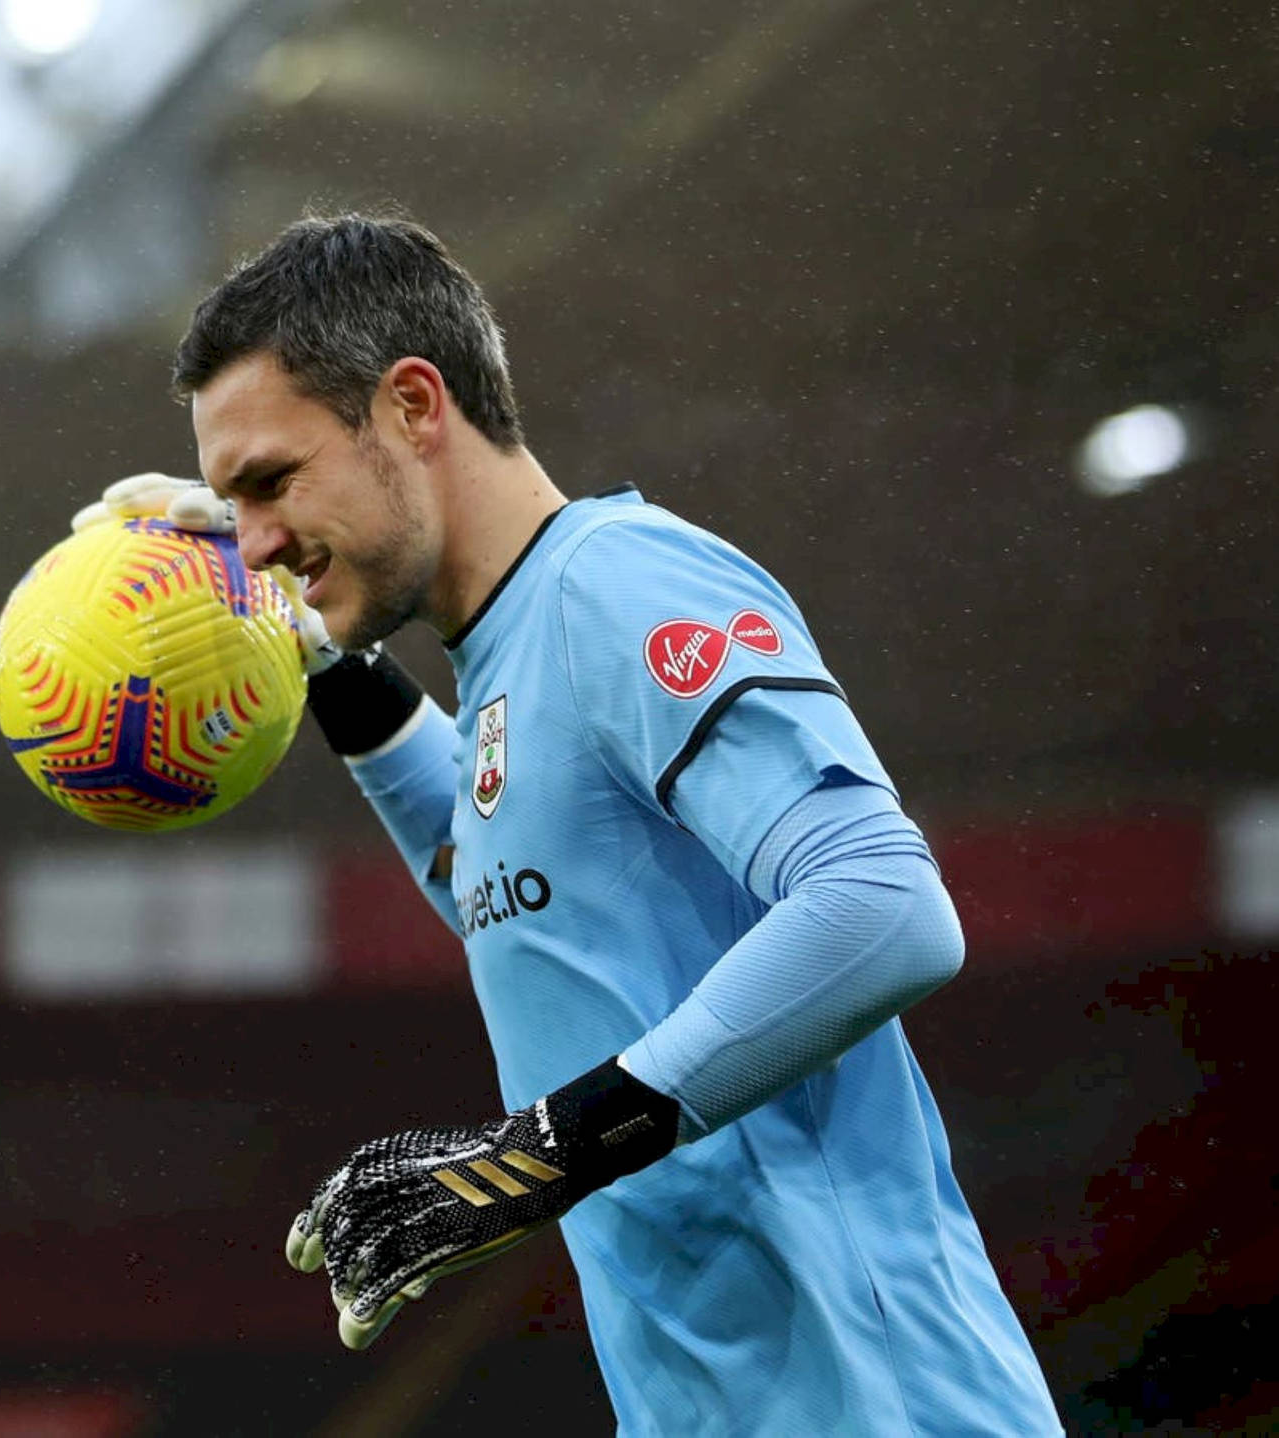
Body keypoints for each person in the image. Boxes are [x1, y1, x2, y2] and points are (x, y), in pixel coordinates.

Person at [75, 214, 1061, 1434]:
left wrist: (543, 1151)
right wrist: (322, 656)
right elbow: (522, 885)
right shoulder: (507, 652)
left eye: (272, 482)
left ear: (413, 407)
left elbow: (885, 905)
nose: (258, 538)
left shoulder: (620, 583)